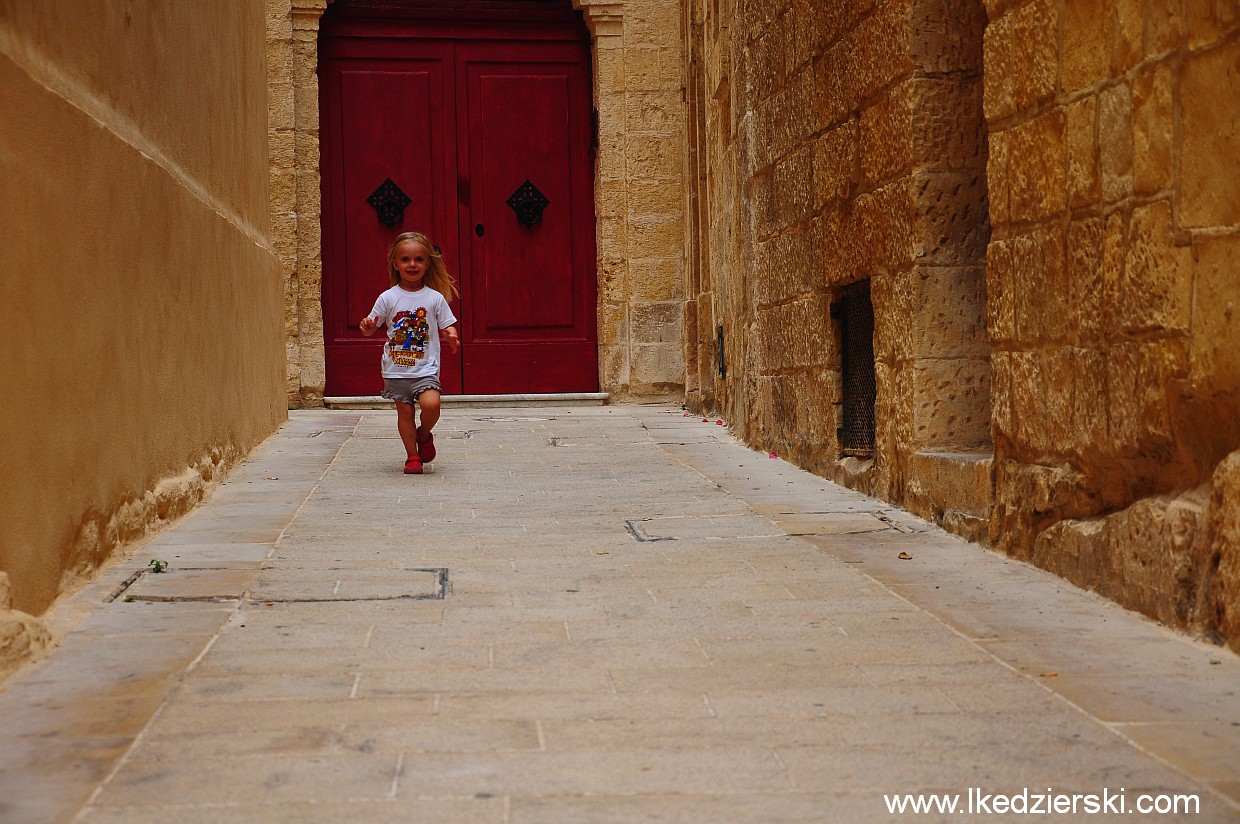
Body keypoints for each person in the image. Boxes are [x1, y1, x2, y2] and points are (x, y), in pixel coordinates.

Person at [359, 232, 460, 474]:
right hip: (396, 369)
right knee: (404, 412)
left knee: (432, 404)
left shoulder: (434, 298)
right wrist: (367, 326)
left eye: (418, 260)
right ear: (395, 263)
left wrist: (451, 334)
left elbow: (448, 323)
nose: (412, 265)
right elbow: (371, 326)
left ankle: (423, 434)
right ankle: (412, 456)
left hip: (425, 368)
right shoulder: (388, 297)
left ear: (427, 264)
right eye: (405, 259)